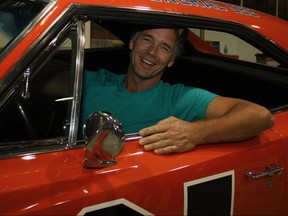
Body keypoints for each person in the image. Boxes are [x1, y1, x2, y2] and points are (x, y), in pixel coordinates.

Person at [81, 27, 275, 155]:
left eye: (164, 48)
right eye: (147, 39)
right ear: (132, 42)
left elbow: (260, 116)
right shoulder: (96, 80)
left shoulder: (180, 98)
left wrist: (193, 133)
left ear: (171, 60)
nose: (152, 51)